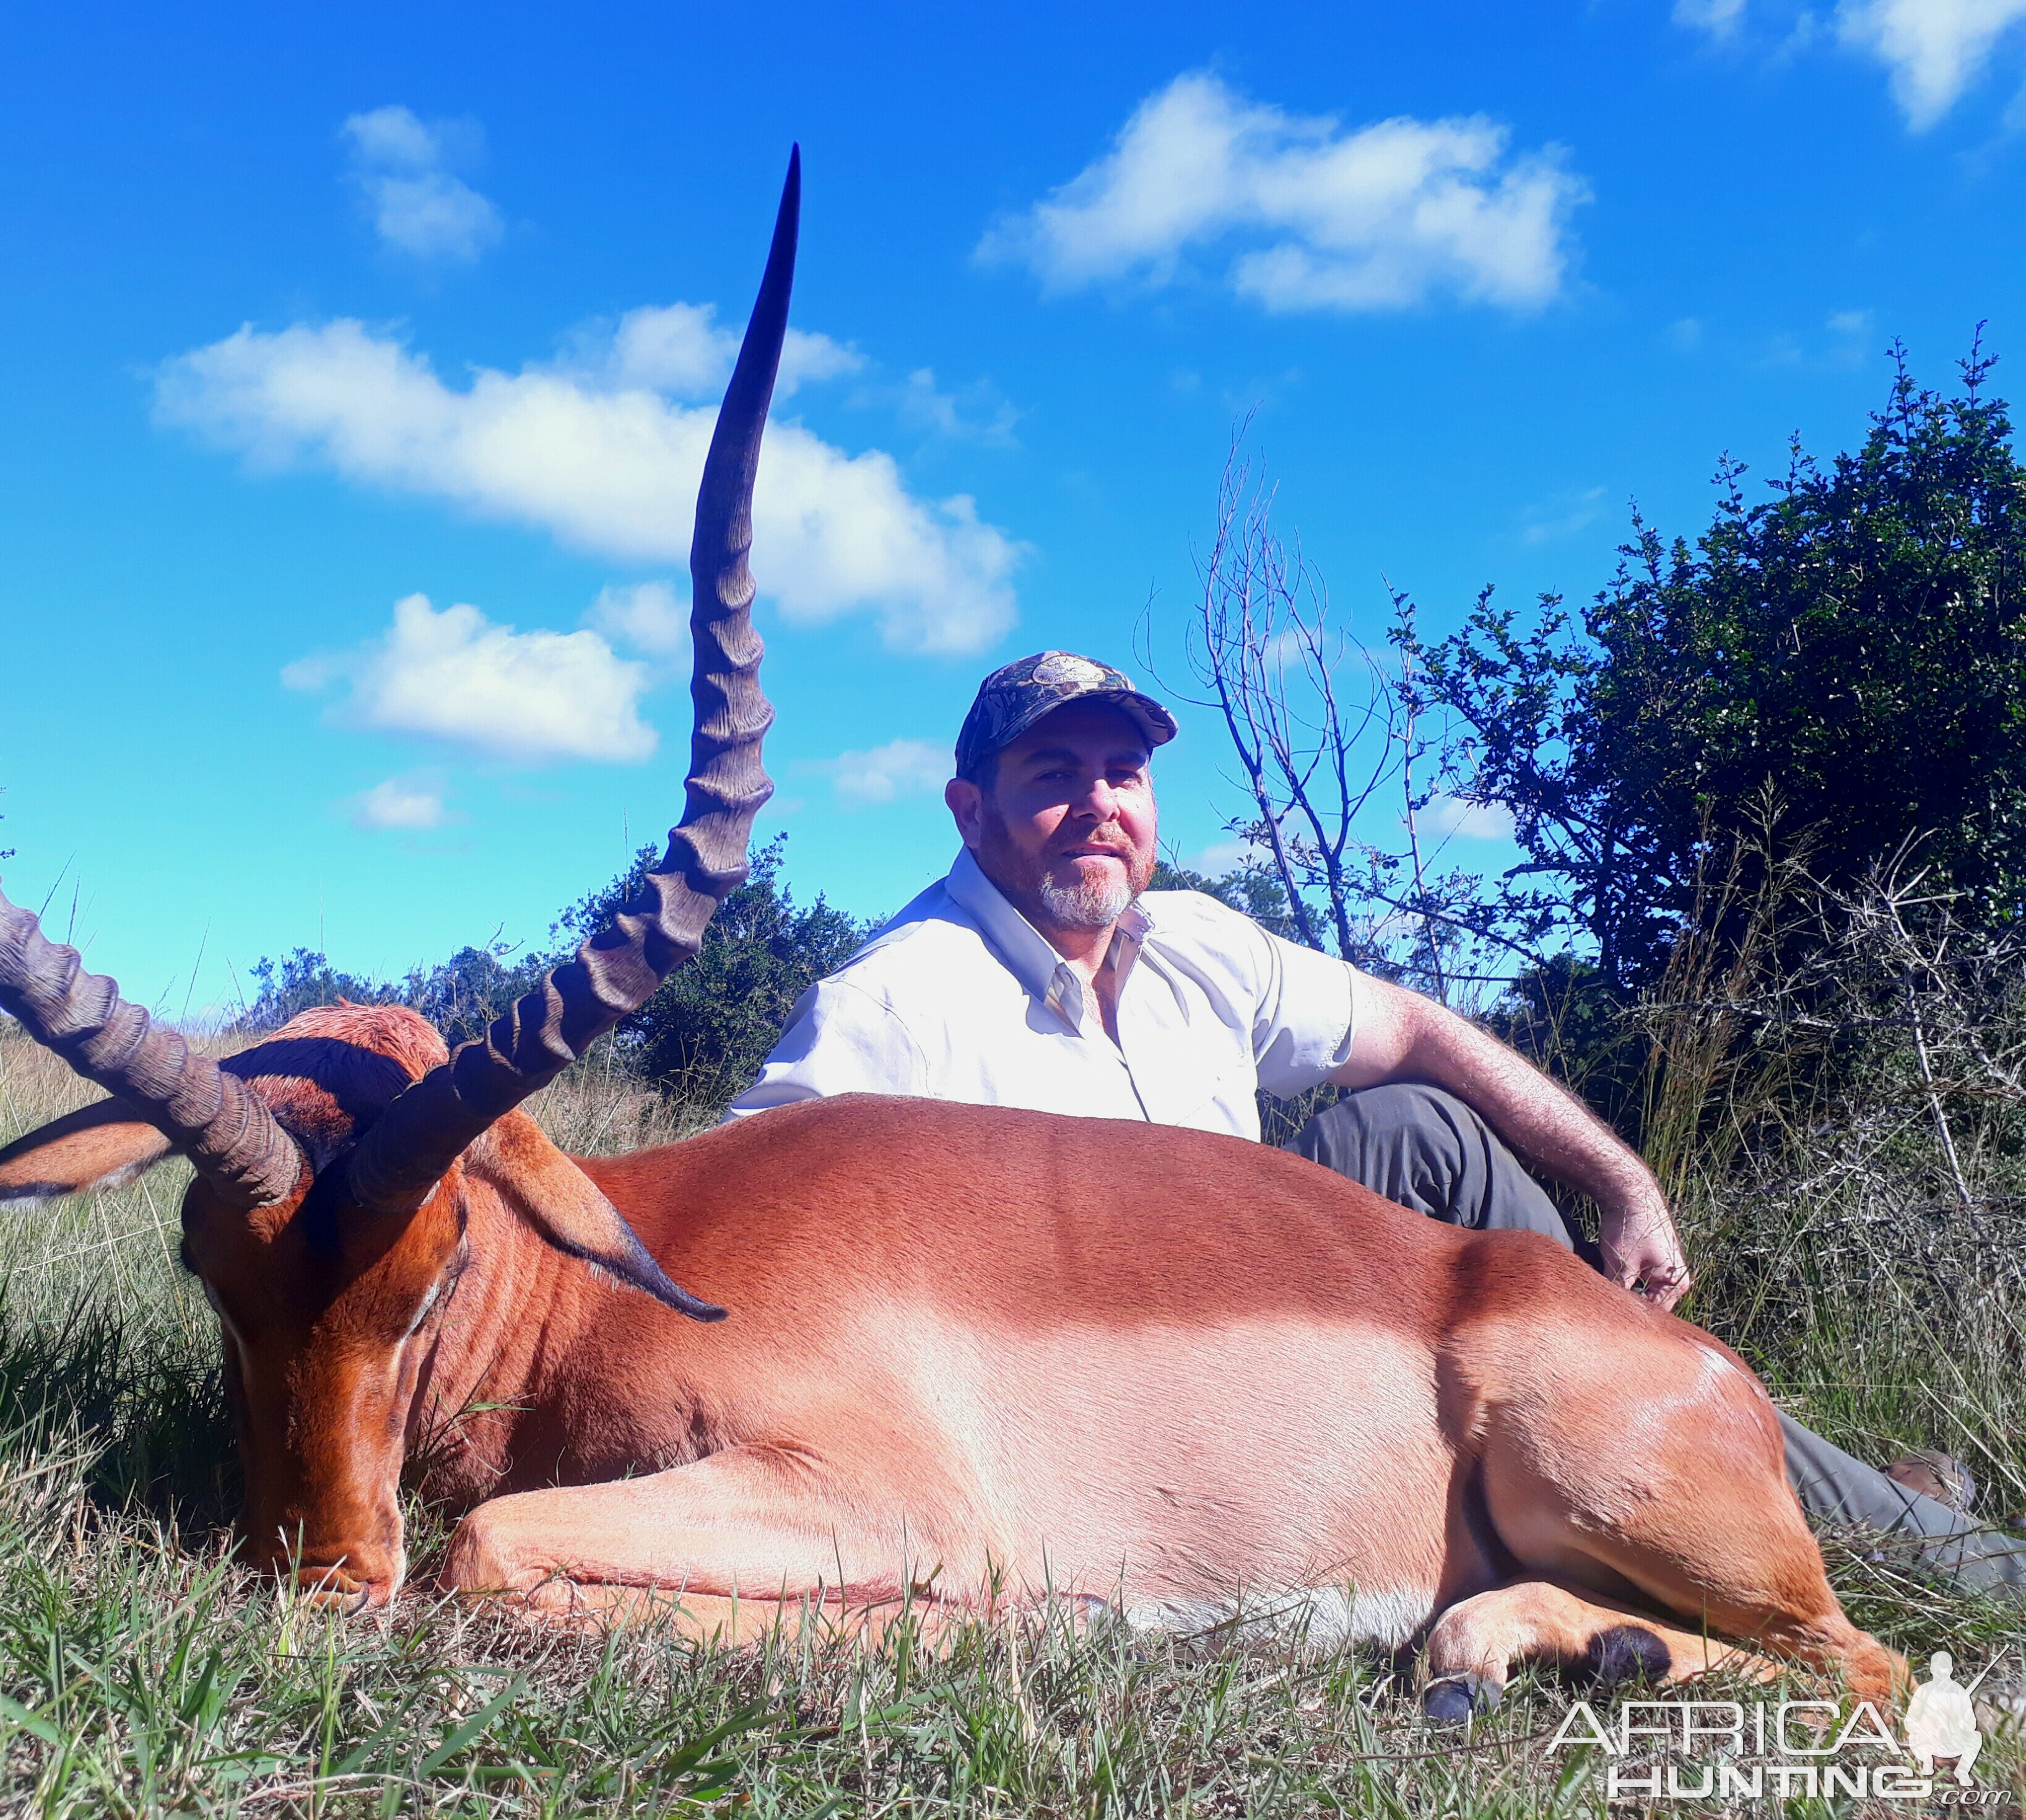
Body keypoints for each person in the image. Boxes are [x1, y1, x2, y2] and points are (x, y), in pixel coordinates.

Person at [731, 649, 2026, 1593]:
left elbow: (1414, 1029)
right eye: (1052, 775)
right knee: (1534, 1327)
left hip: (1266, 1302)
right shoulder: (893, 998)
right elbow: (743, 1226)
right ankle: (1912, 1546)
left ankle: (1734, 1469)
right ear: (971, 811)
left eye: (1123, 774)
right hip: (1106, 1397)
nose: (1100, 805)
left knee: (1421, 1128)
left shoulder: (1189, 938)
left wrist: (1618, 1177)